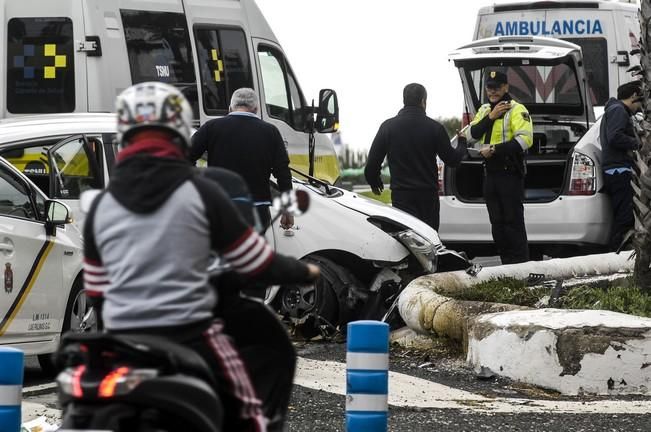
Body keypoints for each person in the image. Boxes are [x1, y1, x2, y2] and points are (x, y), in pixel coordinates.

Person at [82, 82, 319, 432]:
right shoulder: (204, 191)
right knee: (248, 412)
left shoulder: (101, 205)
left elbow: (97, 291)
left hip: (122, 340)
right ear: (178, 130)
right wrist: (304, 270)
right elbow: (255, 263)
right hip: (192, 327)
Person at [364, 83, 467, 231]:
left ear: (404, 100)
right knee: (428, 240)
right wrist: (462, 142)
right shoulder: (435, 128)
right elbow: (453, 160)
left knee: (405, 239)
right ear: (423, 101)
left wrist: (375, 183)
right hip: (428, 197)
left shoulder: (387, 127)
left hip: (401, 196)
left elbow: (372, 164)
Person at [190, 87, 293, 230]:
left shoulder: (211, 127)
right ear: (256, 109)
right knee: (251, 251)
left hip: (221, 207)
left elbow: (184, 157)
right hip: (256, 209)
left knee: (222, 251)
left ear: (230, 108)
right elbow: (283, 173)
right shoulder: (271, 132)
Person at [468, 70, 533, 264]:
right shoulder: (483, 110)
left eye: (497, 87)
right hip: (490, 175)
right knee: (497, 224)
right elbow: (471, 134)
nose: (493, 91)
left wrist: (495, 149)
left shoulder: (516, 109)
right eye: (489, 87)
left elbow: (525, 140)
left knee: (513, 223)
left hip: (509, 174)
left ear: (506, 87)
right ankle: (506, 266)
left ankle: (521, 268)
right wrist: (491, 117)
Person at [600, 80, 643, 251]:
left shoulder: (614, 110)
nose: (641, 106)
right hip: (619, 170)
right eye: (641, 100)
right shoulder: (618, 110)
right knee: (624, 217)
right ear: (633, 96)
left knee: (623, 214)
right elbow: (615, 137)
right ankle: (617, 254)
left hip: (616, 169)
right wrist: (639, 143)